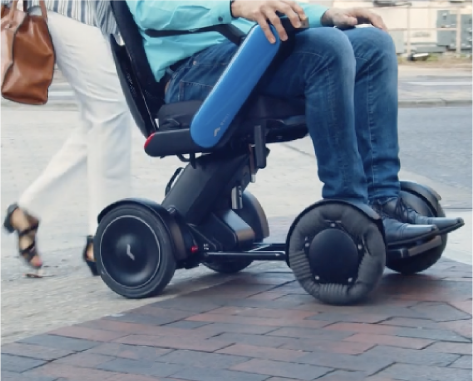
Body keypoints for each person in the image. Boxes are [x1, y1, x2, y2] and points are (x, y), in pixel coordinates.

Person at [94, 0, 463, 245]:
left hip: (245, 53)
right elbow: (151, 12)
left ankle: (384, 200)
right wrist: (235, 4)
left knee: (372, 45)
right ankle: (349, 207)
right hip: (191, 72)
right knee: (326, 50)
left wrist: (325, 15)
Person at [2, 0, 132, 275]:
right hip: (64, 8)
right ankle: (104, 235)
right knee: (110, 112)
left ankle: (28, 210)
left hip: (79, 10)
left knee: (98, 120)